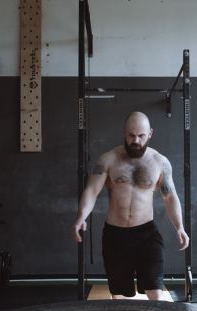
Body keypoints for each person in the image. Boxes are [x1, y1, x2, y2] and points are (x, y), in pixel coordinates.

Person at [73, 111, 189, 300]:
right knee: (119, 297)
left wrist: (180, 227)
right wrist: (81, 218)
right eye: (131, 135)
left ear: (150, 133)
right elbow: (91, 191)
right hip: (115, 236)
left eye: (141, 136)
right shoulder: (108, 159)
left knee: (155, 294)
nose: (136, 140)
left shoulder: (160, 162)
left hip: (147, 235)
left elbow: (170, 197)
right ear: (124, 132)